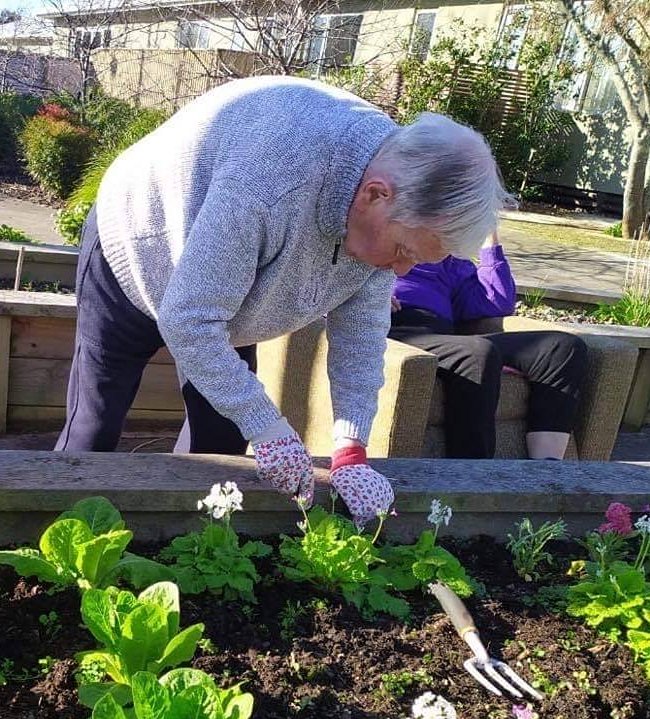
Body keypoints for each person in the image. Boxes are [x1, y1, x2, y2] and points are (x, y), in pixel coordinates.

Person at [56, 75, 511, 526]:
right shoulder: (270, 178)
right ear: (375, 195)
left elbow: (361, 341)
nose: (402, 271)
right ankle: (52, 545)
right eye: (404, 252)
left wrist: (351, 447)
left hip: (227, 288)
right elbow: (189, 320)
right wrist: (270, 428)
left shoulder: (389, 203)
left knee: (222, 447)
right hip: (137, 240)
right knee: (94, 426)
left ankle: (187, 550)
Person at [390, 232, 588, 460]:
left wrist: (487, 236)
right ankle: (472, 483)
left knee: (563, 347)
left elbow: (498, 301)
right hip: (394, 329)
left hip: (443, 338)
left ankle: (545, 476)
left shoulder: (446, 260)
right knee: (477, 353)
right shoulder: (381, 242)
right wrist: (370, 295)